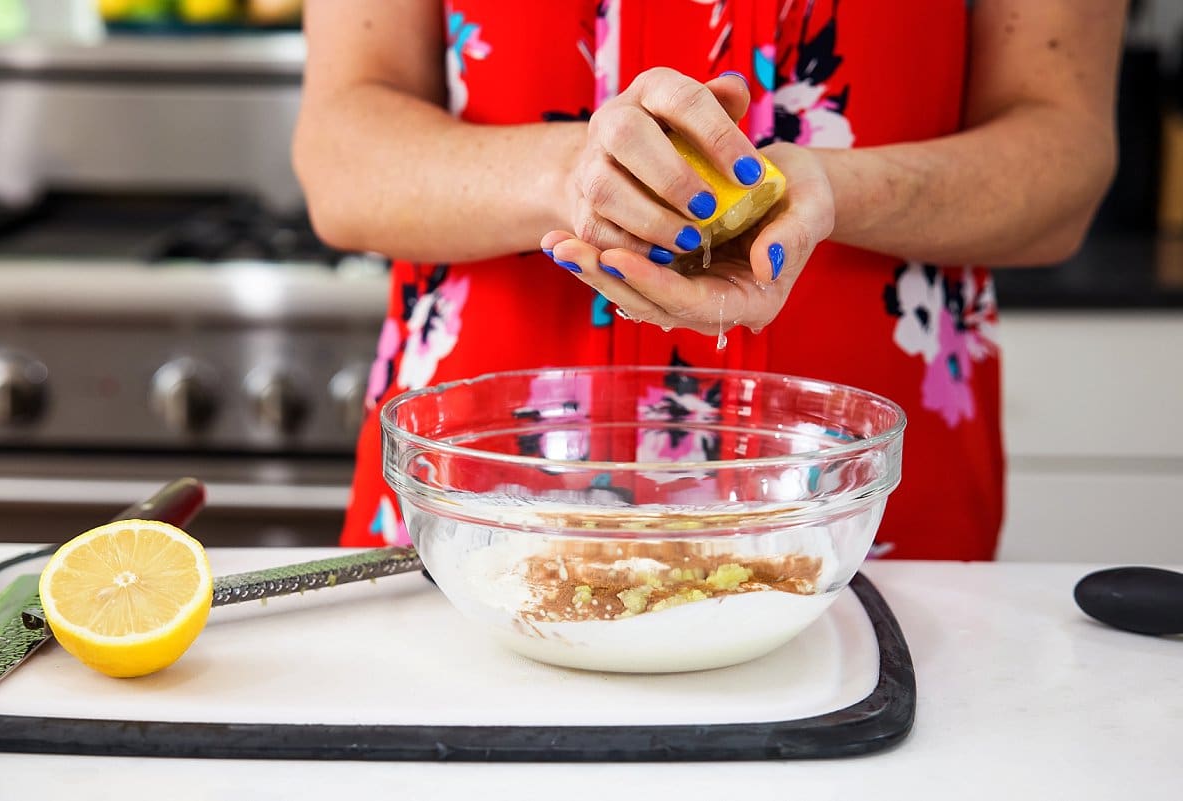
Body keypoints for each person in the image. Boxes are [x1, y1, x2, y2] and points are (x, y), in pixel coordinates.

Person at [294, 0, 1125, 560]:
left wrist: (834, 191)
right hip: (477, 511)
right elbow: (339, 159)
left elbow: (1064, 163)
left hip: (859, 513)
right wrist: (577, 174)